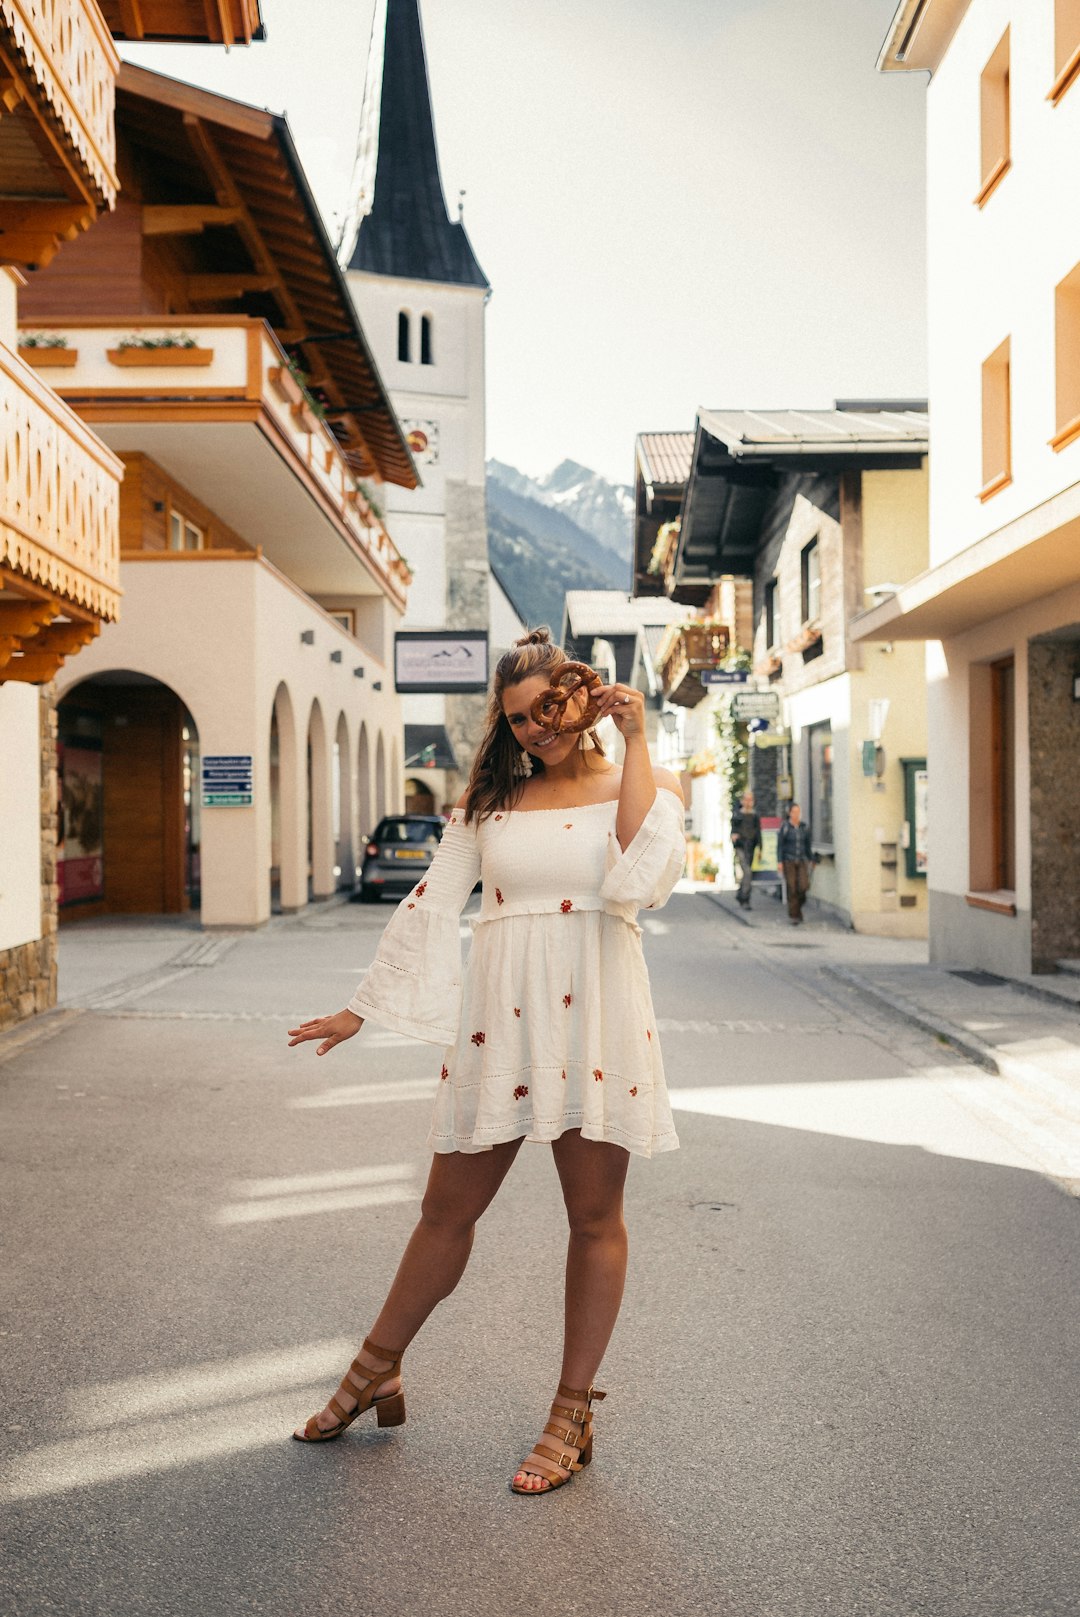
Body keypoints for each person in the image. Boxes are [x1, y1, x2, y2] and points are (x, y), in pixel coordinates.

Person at [287, 628, 685, 1496]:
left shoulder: (640, 783)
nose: (534, 730)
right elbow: (432, 903)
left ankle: (571, 1412)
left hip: (597, 1022)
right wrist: (362, 1007)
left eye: (546, 709)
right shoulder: (487, 805)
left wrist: (639, 740)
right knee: (444, 1209)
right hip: (500, 1023)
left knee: (593, 1217)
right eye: (516, 720)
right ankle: (375, 1368)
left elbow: (638, 881)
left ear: (580, 694)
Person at [777, 801, 814, 924]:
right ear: (790, 813)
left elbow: (807, 845)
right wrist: (780, 861)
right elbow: (780, 845)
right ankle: (795, 915)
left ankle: (798, 908)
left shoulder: (804, 827)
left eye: (798, 812)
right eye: (794, 812)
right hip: (789, 860)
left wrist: (811, 859)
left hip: (802, 859)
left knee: (803, 886)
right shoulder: (786, 827)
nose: (796, 814)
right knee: (792, 887)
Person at [730, 789, 761, 908]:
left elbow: (758, 832)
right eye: (746, 799)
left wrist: (760, 848)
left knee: (747, 873)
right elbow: (733, 829)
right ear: (743, 801)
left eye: (750, 800)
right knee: (747, 872)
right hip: (740, 847)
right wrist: (734, 836)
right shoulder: (738, 814)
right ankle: (745, 898)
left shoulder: (755, 815)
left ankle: (740, 894)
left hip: (751, 847)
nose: (748, 802)